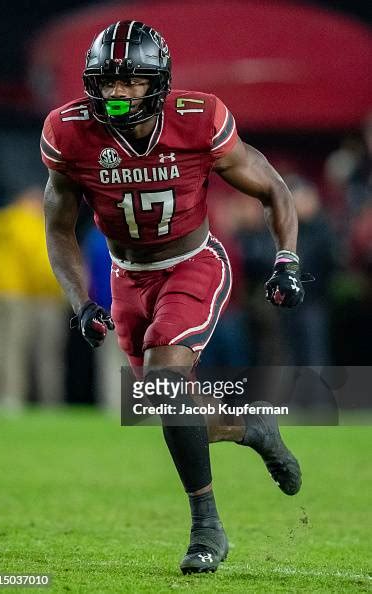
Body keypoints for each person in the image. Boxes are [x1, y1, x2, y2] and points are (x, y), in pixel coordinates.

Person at [40, 21, 306, 574]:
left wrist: (287, 260)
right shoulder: (70, 133)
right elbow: (59, 228)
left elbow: (272, 188)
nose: (117, 94)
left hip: (192, 264)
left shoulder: (198, 118)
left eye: (132, 82)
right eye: (107, 82)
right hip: (125, 277)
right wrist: (80, 300)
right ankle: (249, 425)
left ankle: (206, 526)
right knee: (166, 406)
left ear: (158, 83)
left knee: (165, 381)